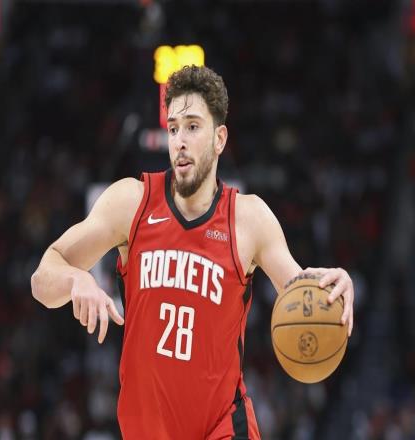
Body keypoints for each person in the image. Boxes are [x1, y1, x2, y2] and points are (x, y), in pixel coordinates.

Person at [31, 65, 355, 440]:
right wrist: (76, 279)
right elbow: (42, 279)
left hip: (223, 428)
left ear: (219, 138)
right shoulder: (131, 202)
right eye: (173, 129)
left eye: (192, 127)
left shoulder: (248, 218)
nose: (179, 141)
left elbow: (299, 293)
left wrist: (332, 287)